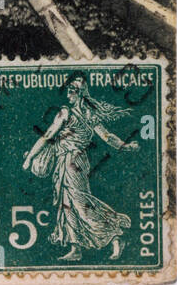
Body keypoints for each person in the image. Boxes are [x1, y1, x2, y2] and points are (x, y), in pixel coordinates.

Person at [22, 74, 139, 261]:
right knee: (66, 204)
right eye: (68, 89)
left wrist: (30, 158)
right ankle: (75, 249)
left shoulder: (68, 113)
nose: (68, 92)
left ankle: (115, 236)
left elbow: (49, 135)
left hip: (72, 162)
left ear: (80, 94)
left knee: (80, 204)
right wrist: (124, 145)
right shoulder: (86, 114)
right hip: (68, 162)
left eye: (72, 90)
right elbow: (51, 135)